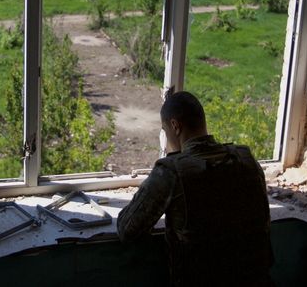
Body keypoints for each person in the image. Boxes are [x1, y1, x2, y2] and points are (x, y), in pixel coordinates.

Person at [117, 91, 273, 286]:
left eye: (165, 131)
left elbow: (127, 229)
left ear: (175, 126)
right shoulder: (245, 159)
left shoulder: (171, 172)